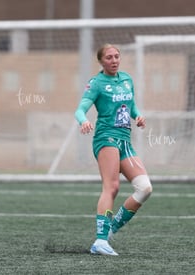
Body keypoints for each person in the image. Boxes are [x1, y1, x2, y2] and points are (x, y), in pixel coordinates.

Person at [74, 43, 152, 256]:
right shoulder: (97, 83)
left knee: (145, 188)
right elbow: (80, 110)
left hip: (125, 141)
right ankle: (100, 241)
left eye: (116, 56)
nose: (114, 60)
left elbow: (131, 105)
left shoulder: (126, 79)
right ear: (101, 61)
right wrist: (83, 121)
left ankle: (111, 229)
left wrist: (138, 116)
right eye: (109, 57)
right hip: (106, 138)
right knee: (112, 187)